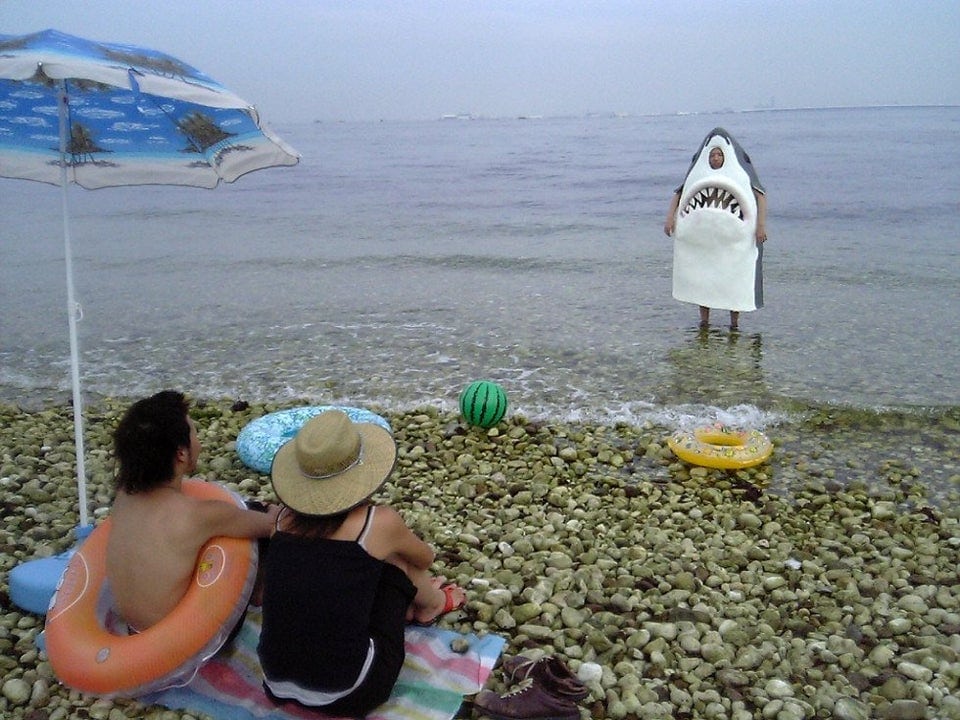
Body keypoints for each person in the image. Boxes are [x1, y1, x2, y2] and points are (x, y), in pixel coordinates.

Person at [257, 409, 466, 717]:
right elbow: (425, 558)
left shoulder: (282, 521)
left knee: (352, 566)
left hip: (274, 681)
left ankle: (418, 601)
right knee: (399, 561)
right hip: (352, 691)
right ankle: (433, 603)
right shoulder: (377, 522)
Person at [105, 390, 279, 632]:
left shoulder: (123, 497)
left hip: (133, 630)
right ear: (181, 453)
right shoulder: (199, 514)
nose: (198, 440)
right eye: (194, 431)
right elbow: (274, 526)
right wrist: (273, 510)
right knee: (260, 531)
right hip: (180, 643)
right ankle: (262, 606)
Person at [664, 130, 768, 330]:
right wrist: (670, 218)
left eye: (719, 154)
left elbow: (761, 196)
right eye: (712, 154)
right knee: (703, 281)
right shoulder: (698, 176)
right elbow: (678, 194)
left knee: (735, 281)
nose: (715, 157)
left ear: (726, 156)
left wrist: (760, 226)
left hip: (734, 241)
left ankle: (734, 325)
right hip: (704, 242)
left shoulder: (740, 176)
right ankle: (704, 322)